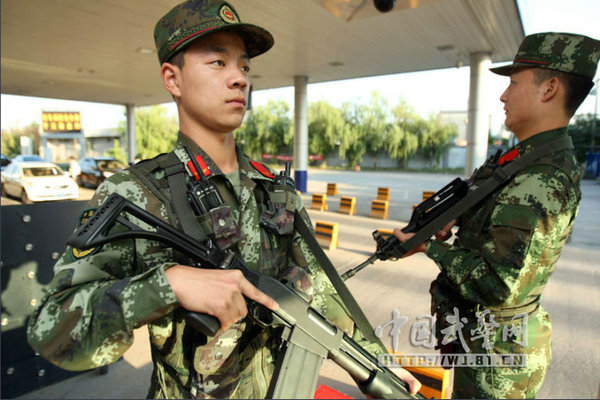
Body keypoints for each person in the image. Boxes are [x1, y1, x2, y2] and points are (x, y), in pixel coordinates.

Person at [26, 1, 419, 398]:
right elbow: (51, 327)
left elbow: (320, 285)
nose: (239, 79)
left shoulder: (275, 189)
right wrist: (167, 285)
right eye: (217, 63)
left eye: (245, 67)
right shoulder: (135, 192)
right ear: (172, 79)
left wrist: (374, 362)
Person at [395, 32, 600, 399]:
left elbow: (497, 284)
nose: (503, 96)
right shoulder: (523, 160)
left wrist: (428, 246)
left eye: (513, 83)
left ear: (549, 88)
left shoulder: (540, 178)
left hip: (497, 364)